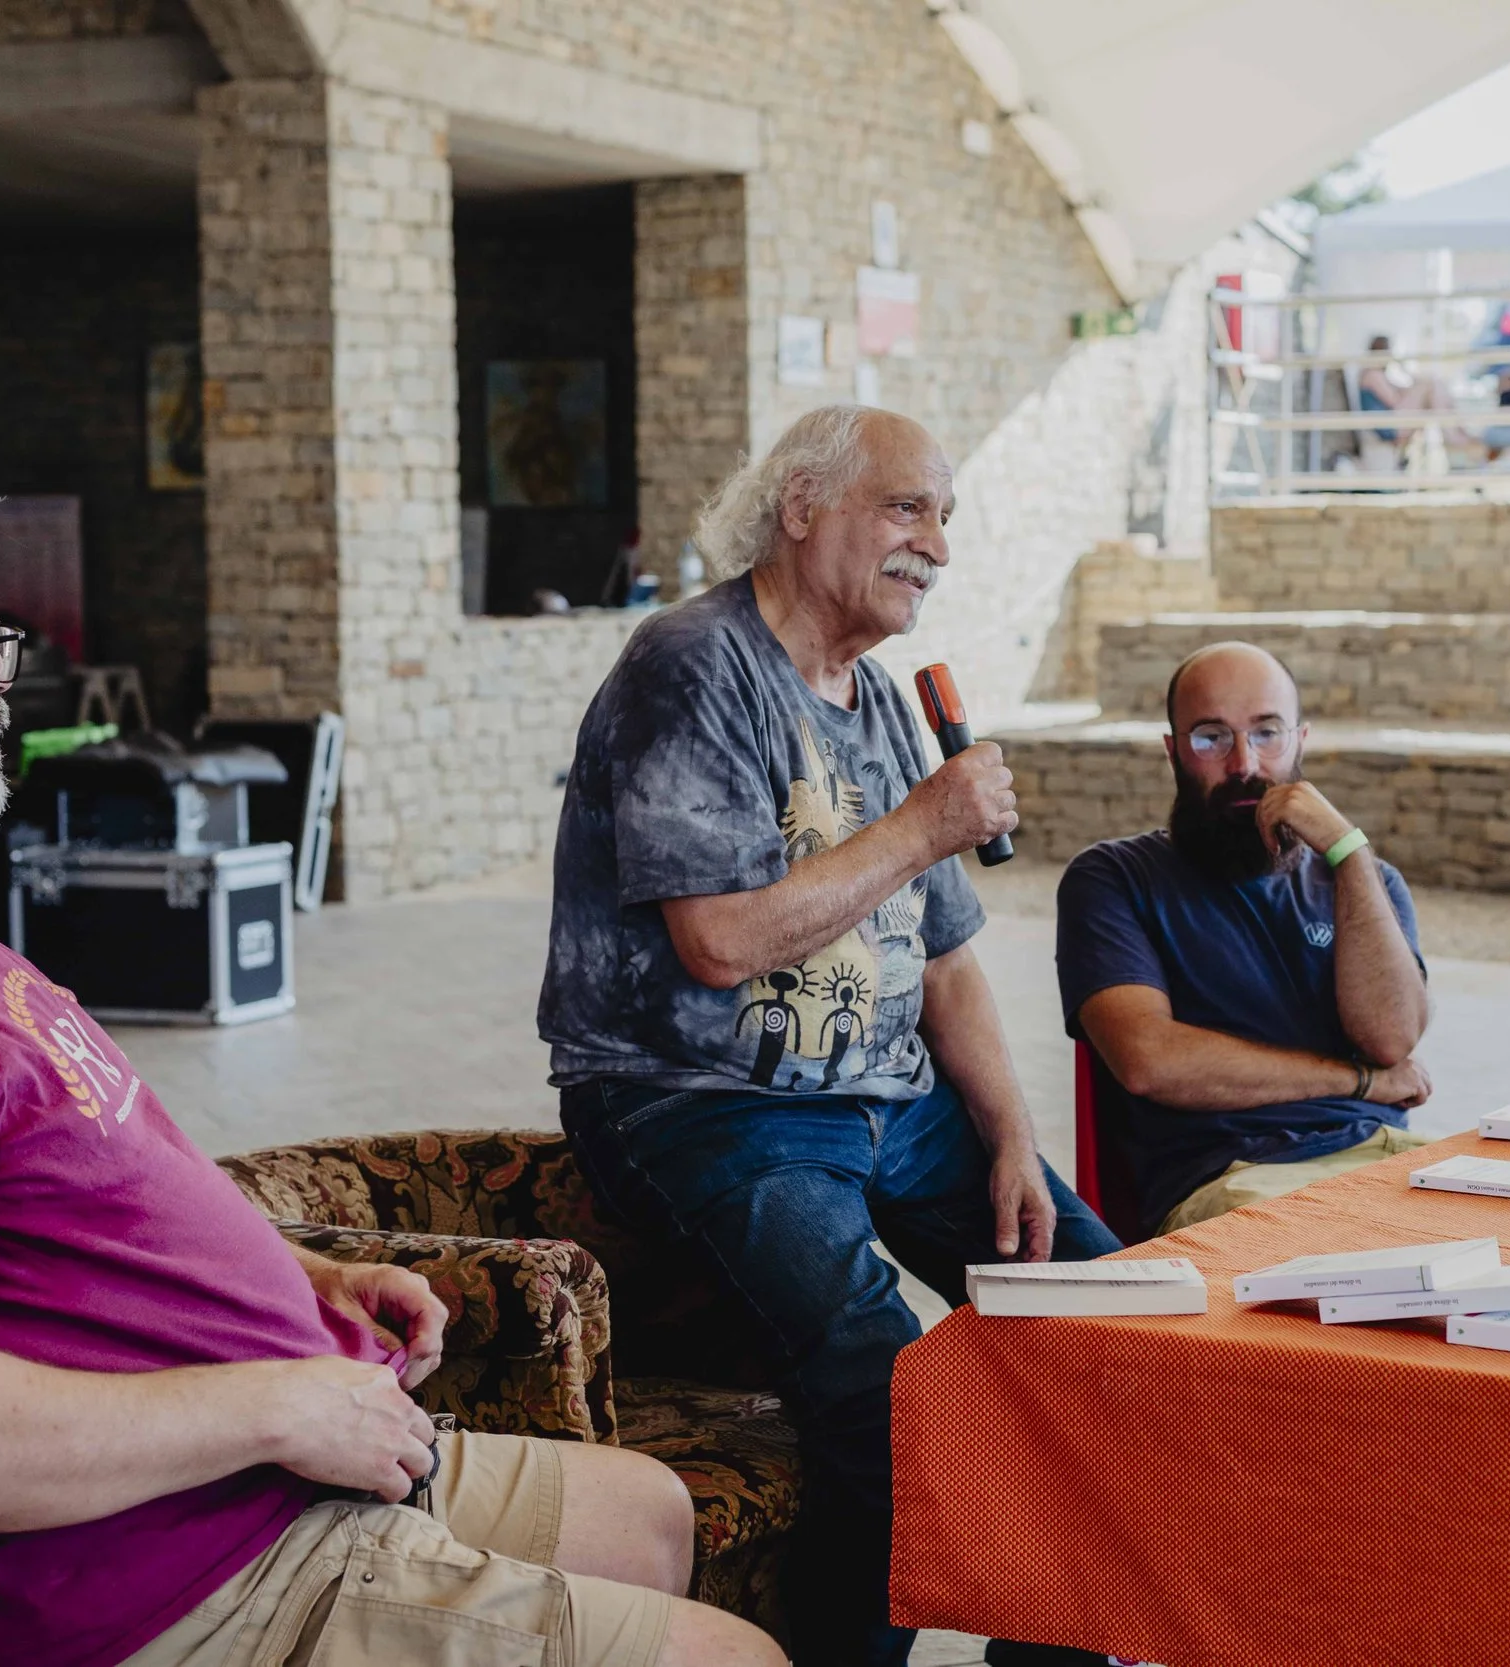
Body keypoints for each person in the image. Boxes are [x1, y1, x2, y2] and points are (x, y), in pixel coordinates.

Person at [0, 466, 780, 1667]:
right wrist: (278, 1401)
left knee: (646, 1513)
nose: (0, 682)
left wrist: (300, 1278)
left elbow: (48, 1214)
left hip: (255, 1463)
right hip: (190, 1573)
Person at [538, 405, 1120, 1667]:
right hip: (698, 1095)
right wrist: (921, 824)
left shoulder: (883, 704)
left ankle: (1056, 1647)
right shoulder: (691, 663)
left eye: (945, 517)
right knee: (882, 1376)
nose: (938, 546)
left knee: (1109, 1311)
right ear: (802, 506)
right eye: (908, 508)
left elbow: (948, 956)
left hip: (885, 1092)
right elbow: (720, 942)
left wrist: (1014, 1137)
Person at [1055, 642, 1434, 1241]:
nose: (1244, 765)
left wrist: (1351, 854)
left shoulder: (1366, 883)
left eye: (1267, 733)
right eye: (1211, 738)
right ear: (1172, 750)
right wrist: (1358, 1081)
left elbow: (1389, 1040)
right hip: (1231, 1178)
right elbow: (1150, 1062)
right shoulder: (1114, 878)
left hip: (1389, 1153)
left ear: (1301, 740)